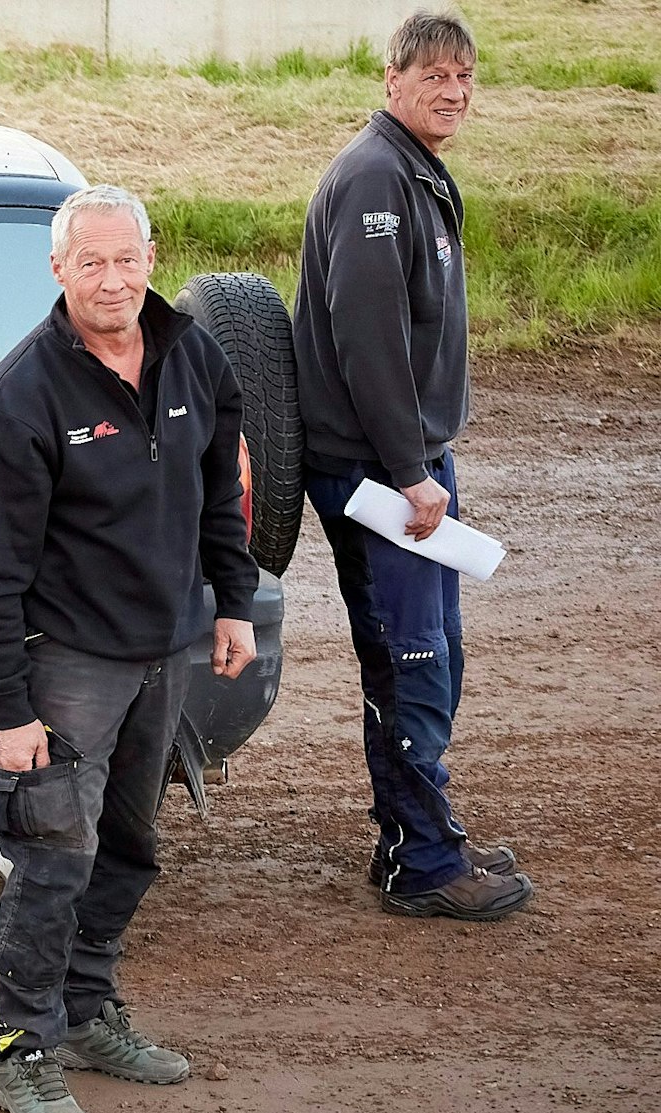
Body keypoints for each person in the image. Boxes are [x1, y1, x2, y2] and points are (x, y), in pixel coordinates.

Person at [0, 184, 259, 1113]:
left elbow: (220, 489)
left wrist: (233, 602)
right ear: (59, 270)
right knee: (53, 859)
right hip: (69, 663)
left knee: (128, 848)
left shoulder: (193, 356)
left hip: (164, 651)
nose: (112, 279)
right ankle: (21, 1054)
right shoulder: (20, 398)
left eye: (127, 259)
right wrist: (10, 711)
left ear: (152, 259)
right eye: (91, 262)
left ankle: (86, 1014)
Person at [292, 9, 533, 921]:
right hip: (381, 474)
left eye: (465, 76)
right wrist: (408, 469)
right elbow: (367, 340)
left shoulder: (413, 170)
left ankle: (416, 835)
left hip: (408, 462)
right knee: (412, 659)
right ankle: (422, 864)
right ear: (391, 80)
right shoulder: (375, 180)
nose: (454, 90)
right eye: (434, 74)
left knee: (435, 652)